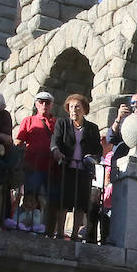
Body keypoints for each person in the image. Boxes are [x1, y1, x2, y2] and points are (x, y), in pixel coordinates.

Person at [49, 93, 102, 240]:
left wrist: (92, 158)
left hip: (84, 170)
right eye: (71, 107)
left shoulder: (92, 128)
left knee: (81, 204)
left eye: (77, 107)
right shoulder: (62, 124)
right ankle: (59, 232)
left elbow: (98, 149)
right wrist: (57, 152)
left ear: (84, 110)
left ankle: (74, 234)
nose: (74, 110)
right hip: (66, 168)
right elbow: (55, 141)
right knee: (63, 202)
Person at [11, 91, 56, 232]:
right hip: (33, 166)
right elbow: (19, 141)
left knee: (51, 200)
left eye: (47, 102)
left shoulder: (57, 123)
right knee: (31, 198)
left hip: (51, 168)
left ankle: (47, 230)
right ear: (36, 104)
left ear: (52, 105)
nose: (44, 105)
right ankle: (28, 227)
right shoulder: (28, 121)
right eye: (41, 102)